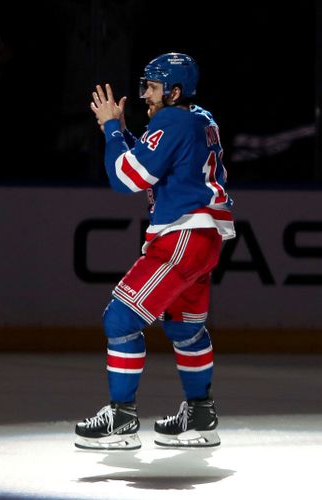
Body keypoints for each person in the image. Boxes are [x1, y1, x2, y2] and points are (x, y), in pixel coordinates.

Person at [75, 53, 235, 450]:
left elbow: (127, 177)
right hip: (204, 237)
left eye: (153, 87)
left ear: (175, 91)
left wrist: (112, 129)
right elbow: (159, 163)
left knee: (119, 320)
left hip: (180, 235)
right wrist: (127, 134)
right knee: (185, 328)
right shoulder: (201, 118)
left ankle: (121, 419)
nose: (146, 94)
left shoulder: (172, 120)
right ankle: (200, 416)